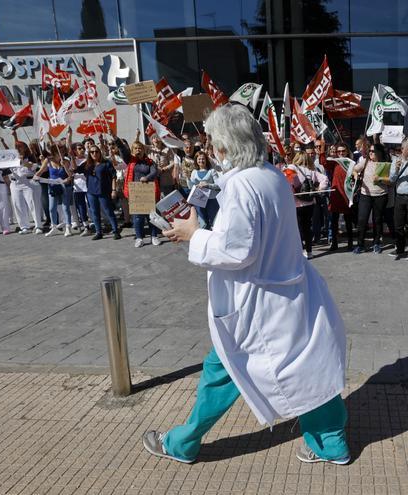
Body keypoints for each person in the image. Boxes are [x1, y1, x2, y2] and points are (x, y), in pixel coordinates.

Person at [146, 104, 350, 466]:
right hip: (290, 291)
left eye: (211, 142)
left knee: (222, 369)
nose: (208, 148)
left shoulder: (241, 185)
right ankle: (331, 443)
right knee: (309, 366)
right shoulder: (270, 175)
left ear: (224, 148)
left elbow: (236, 250)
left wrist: (193, 235)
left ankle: (182, 442)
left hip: (256, 304)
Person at [285, 152, 329, 259]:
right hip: (310, 202)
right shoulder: (311, 171)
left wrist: (290, 190)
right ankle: (309, 251)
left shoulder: (291, 167)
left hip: (296, 203)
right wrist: (319, 189)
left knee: (298, 228)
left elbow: (286, 180)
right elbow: (325, 179)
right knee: (307, 228)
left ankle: (300, 251)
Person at [352, 142, 390, 254]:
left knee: (377, 220)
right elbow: (355, 169)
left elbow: (391, 182)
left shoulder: (385, 164)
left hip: (380, 195)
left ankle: (377, 243)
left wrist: (380, 179)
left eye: (373, 151)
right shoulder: (366, 161)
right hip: (365, 194)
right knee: (362, 219)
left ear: (379, 152)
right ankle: (360, 244)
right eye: (370, 151)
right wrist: (356, 175)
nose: (371, 153)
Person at [123, 141, 162, 248]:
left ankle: (154, 236)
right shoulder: (130, 161)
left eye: (140, 148)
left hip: (148, 192)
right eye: (135, 148)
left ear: (144, 150)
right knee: (137, 217)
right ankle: (139, 238)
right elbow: (122, 150)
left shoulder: (150, 162)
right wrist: (115, 138)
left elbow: (154, 172)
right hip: (135, 192)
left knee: (151, 216)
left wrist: (147, 178)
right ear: (132, 150)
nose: (138, 150)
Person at [80, 146, 121, 240]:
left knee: (109, 211)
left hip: (104, 191)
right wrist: (70, 158)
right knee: (94, 212)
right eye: (92, 152)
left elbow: (114, 176)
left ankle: (116, 231)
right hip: (91, 192)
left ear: (99, 152)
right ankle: (99, 232)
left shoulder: (106, 163)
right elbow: (74, 169)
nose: (94, 153)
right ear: (89, 154)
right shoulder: (87, 164)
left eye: (96, 151)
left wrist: (114, 190)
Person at [8, 138, 43, 235]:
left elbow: (31, 166)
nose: (18, 148)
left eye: (20, 146)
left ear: (25, 148)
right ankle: (24, 227)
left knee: (33, 205)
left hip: (28, 183)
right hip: (15, 183)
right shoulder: (11, 158)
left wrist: (22, 161)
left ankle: (38, 226)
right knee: (18, 205)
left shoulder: (31, 157)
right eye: (16, 147)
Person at [325, 144, 355, 251]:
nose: (341, 153)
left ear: (347, 152)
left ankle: (350, 243)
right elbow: (324, 163)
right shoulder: (334, 162)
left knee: (348, 220)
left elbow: (355, 177)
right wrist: (322, 150)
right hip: (336, 194)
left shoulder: (350, 163)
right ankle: (334, 243)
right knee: (334, 221)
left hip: (346, 194)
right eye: (339, 152)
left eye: (343, 151)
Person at [40, 143, 73, 237]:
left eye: (63, 151)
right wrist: (35, 176)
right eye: (60, 151)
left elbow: (70, 176)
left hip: (65, 186)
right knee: (51, 208)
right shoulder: (48, 160)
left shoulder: (66, 161)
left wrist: (65, 167)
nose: (62, 153)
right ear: (54, 152)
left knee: (65, 207)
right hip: (53, 186)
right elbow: (41, 170)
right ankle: (54, 227)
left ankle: (68, 227)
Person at [187, 151, 220, 230]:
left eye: (203, 159)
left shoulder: (212, 171)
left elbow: (219, 185)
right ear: (196, 160)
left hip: (212, 200)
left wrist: (207, 185)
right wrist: (188, 179)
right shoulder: (194, 172)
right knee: (203, 222)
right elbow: (191, 187)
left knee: (214, 221)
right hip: (199, 199)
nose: (201, 161)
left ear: (206, 160)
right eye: (199, 159)